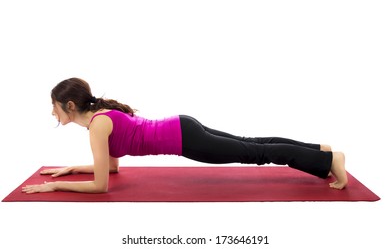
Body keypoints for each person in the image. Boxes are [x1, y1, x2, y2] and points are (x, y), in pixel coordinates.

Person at [22, 78, 348, 194]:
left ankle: (330, 160)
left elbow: (101, 186)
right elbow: (113, 169)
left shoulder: (97, 127)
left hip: (184, 140)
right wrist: (73, 169)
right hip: (183, 126)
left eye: (54, 108)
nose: (53, 114)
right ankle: (319, 152)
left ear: (68, 105)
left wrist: (54, 185)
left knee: (254, 153)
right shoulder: (100, 120)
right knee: (252, 144)